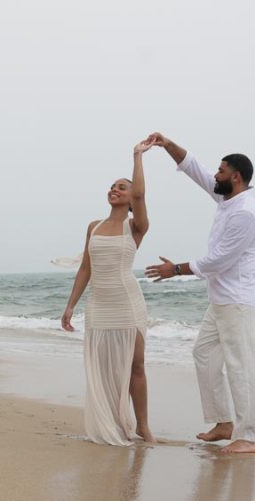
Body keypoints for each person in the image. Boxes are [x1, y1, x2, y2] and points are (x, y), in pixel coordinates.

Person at [144, 132, 255, 454]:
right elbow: (194, 168)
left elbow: (220, 260)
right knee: (204, 354)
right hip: (222, 299)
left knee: (242, 365)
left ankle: (247, 437)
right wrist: (167, 144)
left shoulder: (245, 212)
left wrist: (177, 270)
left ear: (235, 177)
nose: (216, 175)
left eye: (221, 171)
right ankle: (224, 423)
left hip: (239, 299)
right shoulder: (228, 198)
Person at [61, 139, 155, 445]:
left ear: (131, 199)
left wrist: (137, 157)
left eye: (121, 187)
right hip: (99, 305)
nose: (114, 189)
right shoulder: (94, 226)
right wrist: (70, 305)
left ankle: (143, 426)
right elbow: (86, 268)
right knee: (103, 369)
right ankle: (113, 422)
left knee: (135, 365)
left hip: (127, 302)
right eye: (112, 186)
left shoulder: (136, 225)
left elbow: (141, 193)